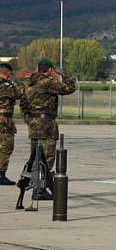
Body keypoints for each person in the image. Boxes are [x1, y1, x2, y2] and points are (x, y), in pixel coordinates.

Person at [22, 58, 76, 198]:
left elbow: (23, 103)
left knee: (36, 157)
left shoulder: (28, 83)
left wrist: (29, 120)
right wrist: (64, 74)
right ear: (50, 70)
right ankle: (40, 190)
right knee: (46, 158)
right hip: (46, 124)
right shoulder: (47, 83)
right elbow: (69, 88)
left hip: (34, 124)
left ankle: (36, 187)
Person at [0, 62, 23, 185]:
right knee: (6, 147)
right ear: (7, 73)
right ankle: (1, 175)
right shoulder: (6, 86)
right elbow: (19, 94)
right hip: (4, 121)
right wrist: (14, 82)